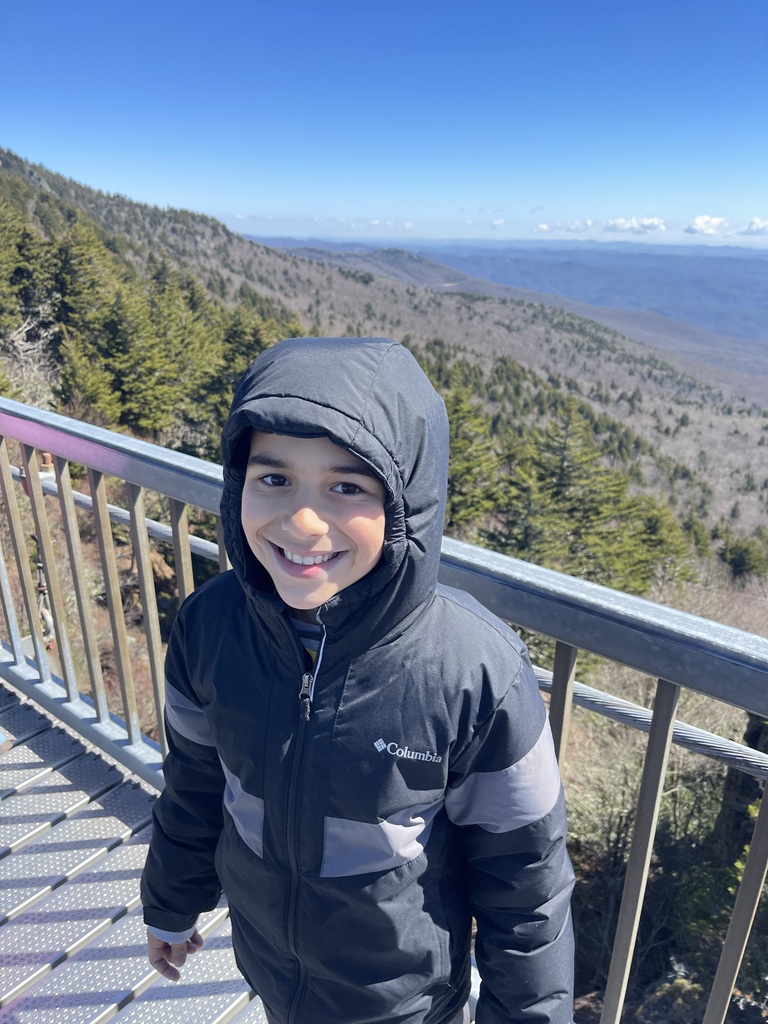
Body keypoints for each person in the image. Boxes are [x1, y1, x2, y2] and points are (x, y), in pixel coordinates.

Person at [140, 336, 575, 1024]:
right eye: (273, 478)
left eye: (347, 486)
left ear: (408, 503)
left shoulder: (474, 672)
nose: (303, 521)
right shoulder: (209, 627)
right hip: (268, 968)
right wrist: (169, 903)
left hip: (404, 1002)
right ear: (236, 483)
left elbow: (525, 887)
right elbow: (194, 782)